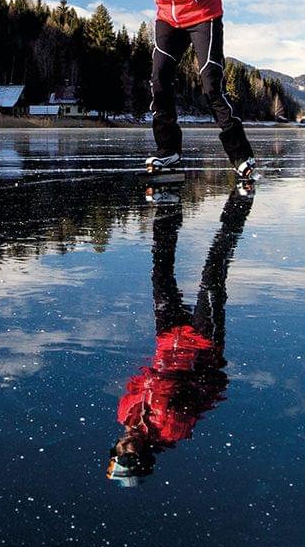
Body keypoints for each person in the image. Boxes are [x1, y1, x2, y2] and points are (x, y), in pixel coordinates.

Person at [107, 0, 256, 180]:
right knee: (159, 79)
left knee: (211, 84)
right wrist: (170, 4)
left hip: (203, 15)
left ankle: (241, 156)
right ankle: (168, 151)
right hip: (168, 18)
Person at [106, 190, 253, 484]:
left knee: (160, 275)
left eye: (117, 452)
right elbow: (198, 387)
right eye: (129, 456)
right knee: (212, 278)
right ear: (144, 457)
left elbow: (140, 380)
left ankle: (168, 208)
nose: (124, 447)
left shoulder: (125, 414)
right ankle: (238, 208)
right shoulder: (172, 430)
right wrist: (201, 364)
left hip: (167, 340)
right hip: (201, 343)